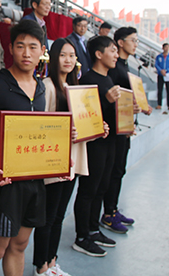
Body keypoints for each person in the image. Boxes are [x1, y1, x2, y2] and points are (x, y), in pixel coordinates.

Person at [0, 20, 47, 276]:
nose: (26, 53)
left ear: (42, 51)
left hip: (35, 181)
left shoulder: (41, 87)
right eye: (20, 46)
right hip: (5, 185)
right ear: (10, 49)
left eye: (33, 47)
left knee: (20, 246)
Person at [32, 38, 109, 276]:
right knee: (48, 217)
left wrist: (98, 128)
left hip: (73, 159)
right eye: (63, 55)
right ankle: (41, 266)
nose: (68, 60)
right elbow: (40, 126)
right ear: (54, 57)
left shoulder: (76, 88)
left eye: (72, 55)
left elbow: (83, 124)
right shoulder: (46, 86)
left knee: (59, 216)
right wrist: (65, 132)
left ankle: (52, 262)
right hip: (55, 160)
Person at [72, 36, 121, 257]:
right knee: (88, 189)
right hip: (94, 144)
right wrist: (106, 102)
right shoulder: (87, 80)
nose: (116, 55)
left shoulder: (108, 78)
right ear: (99, 54)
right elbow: (85, 115)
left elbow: (111, 113)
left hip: (109, 142)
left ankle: (93, 229)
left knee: (102, 187)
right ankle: (82, 237)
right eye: (113, 50)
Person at [100, 27, 149, 233]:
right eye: (133, 40)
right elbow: (113, 100)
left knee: (119, 170)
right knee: (114, 171)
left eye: (137, 41)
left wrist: (136, 107)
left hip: (124, 126)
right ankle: (108, 214)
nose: (136, 44)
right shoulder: (114, 67)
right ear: (120, 42)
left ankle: (112, 209)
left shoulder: (124, 66)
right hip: (115, 128)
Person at [155, 43, 169, 110]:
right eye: (165, 47)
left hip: (168, 75)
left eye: (168, 47)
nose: (167, 49)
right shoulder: (159, 56)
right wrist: (160, 70)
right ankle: (159, 104)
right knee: (160, 90)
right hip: (160, 75)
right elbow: (156, 64)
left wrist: (166, 70)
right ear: (163, 48)